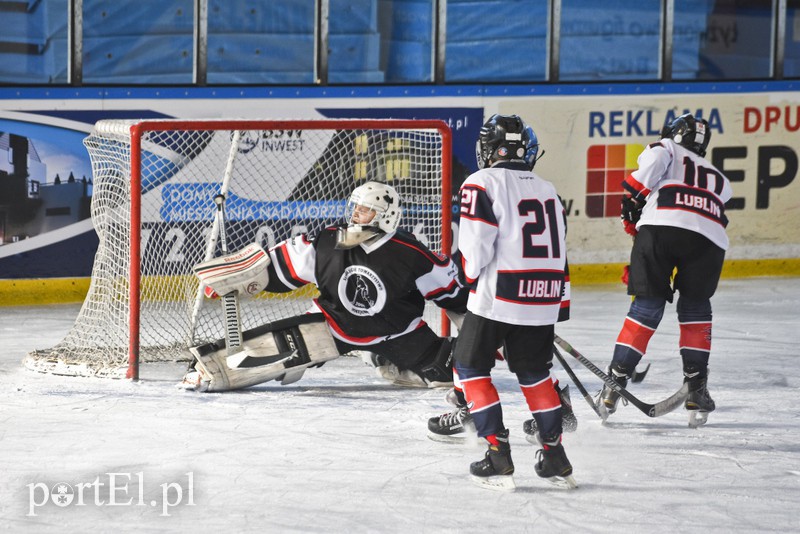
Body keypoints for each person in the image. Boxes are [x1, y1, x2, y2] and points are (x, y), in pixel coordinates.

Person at [184, 180, 468, 391]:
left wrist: (474, 335)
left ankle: (380, 355)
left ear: (386, 215)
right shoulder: (331, 241)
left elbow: (453, 298)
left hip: (398, 332)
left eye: (366, 210)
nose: (356, 214)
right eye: (355, 207)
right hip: (332, 326)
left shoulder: (412, 255)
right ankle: (204, 368)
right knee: (232, 367)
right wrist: (241, 280)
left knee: (446, 375)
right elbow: (279, 269)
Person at [429, 114, 575, 490]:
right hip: (543, 294)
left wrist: (470, 279)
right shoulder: (548, 189)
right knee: (534, 373)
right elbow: (559, 254)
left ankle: (497, 453)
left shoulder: (481, 182)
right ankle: (555, 456)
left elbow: (475, 249)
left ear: (488, 150)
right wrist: (554, 303)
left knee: (468, 366)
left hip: (499, 295)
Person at [600, 113, 732, 428]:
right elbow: (709, 211)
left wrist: (632, 206)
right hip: (710, 239)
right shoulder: (719, 177)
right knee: (696, 308)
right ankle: (696, 388)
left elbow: (639, 182)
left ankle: (615, 383)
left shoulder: (666, 148)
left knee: (647, 305)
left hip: (661, 229)